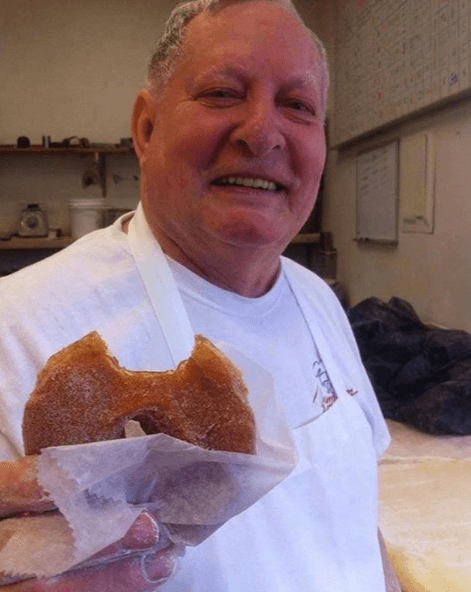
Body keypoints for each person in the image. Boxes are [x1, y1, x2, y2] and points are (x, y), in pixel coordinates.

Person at [0, 0, 401, 590]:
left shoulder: (318, 299)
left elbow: (352, 520)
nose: (263, 132)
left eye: (297, 106)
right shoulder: (18, 328)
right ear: (146, 127)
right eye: (222, 93)